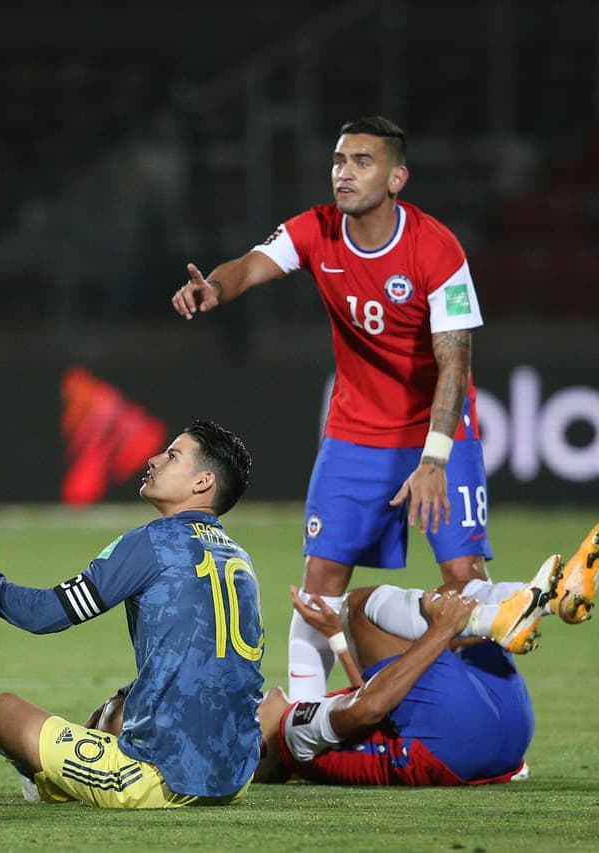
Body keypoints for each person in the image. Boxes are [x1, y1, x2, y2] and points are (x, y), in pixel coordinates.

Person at [171, 116, 490, 701]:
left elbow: (455, 363)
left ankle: (494, 725)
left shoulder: (436, 248)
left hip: (439, 438)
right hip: (356, 434)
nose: (344, 172)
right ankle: (305, 726)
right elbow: (248, 265)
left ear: (397, 178)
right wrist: (217, 287)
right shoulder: (317, 231)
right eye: (340, 161)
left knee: (465, 581)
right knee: (320, 587)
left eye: (362, 162)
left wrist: (435, 459)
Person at [0, 420, 263, 809]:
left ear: (202, 482)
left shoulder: (152, 543)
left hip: (164, 777)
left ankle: (55, 787)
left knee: (0, 712)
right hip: (235, 775)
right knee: (115, 711)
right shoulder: (238, 557)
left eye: (173, 455)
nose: (155, 459)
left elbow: (44, 614)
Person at [253, 521, 599, 786]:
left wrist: (338, 640)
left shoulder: (310, 739)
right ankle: (509, 613)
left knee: (450, 595)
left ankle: (547, 601)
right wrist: (442, 629)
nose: (253, 705)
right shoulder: (291, 735)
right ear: (262, 751)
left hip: (506, 740)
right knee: (361, 607)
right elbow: (369, 707)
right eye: (250, 717)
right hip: (453, 743)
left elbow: (368, 704)